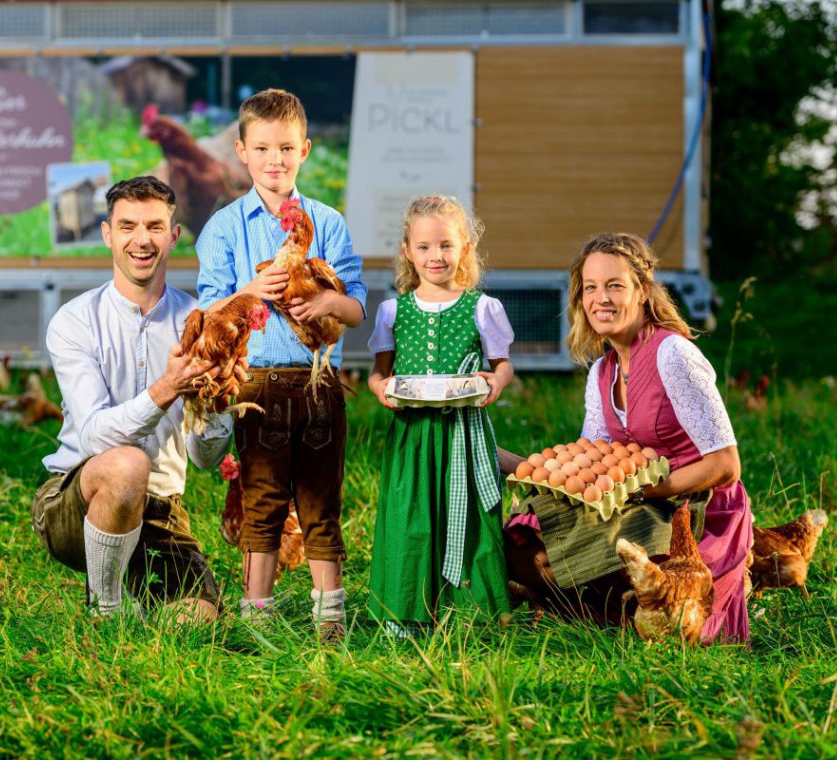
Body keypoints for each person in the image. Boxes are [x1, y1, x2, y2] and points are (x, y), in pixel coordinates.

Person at [502, 232, 753, 643]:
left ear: (642, 291)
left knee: (659, 596)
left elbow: (726, 465)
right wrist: (494, 453)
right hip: (639, 501)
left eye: (615, 286)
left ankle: (618, 610)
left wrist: (649, 491)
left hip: (692, 510)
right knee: (521, 545)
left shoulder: (673, 354)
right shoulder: (603, 372)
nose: (601, 298)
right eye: (591, 288)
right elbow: (591, 464)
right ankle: (605, 610)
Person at [195, 88, 367, 641]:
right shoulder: (225, 227)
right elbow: (207, 311)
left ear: (306, 150)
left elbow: (356, 306)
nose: (276, 160)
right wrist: (249, 290)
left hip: (317, 381)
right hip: (256, 385)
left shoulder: (328, 222)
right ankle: (256, 618)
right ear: (241, 152)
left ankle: (330, 619)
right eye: (264, 148)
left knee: (321, 499)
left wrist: (326, 303)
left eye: (287, 148)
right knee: (261, 502)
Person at [31, 176, 235, 623]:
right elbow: (92, 438)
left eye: (154, 227)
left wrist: (216, 405)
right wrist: (167, 389)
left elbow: (204, 458)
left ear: (174, 235)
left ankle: (139, 603)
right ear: (107, 234)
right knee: (127, 464)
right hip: (76, 500)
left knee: (199, 619)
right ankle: (105, 611)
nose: (141, 240)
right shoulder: (75, 321)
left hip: (161, 508)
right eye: (127, 226)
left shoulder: (201, 320)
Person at [366, 195, 515, 636]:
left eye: (446, 245)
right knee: (410, 518)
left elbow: (502, 365)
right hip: (413, 434)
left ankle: (472, 613)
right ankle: (406, 611)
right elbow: (379, 373)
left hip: (463, 433)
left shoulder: (482, 308)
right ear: (408, 251)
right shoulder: (394, 311)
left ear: (465, 248)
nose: (436, 256)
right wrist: (382, 391)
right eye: (426, 247)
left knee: (466, 516)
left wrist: (496, 382)